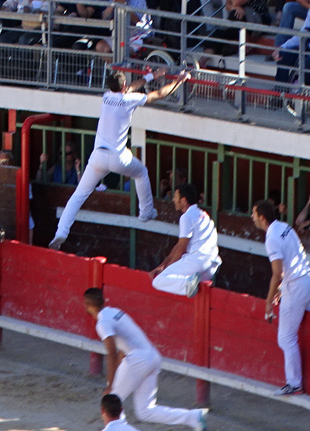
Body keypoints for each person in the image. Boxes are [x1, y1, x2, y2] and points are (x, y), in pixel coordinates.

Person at [50, 68, 190, 250]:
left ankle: (61, 232)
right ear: (123, 85)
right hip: (118, 157)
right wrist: (179, 81)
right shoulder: (129, 99)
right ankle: (146, 212)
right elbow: (159, 94)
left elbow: (130, 87)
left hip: (98, 156)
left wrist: (150, 77)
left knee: (78, 195)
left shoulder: (107, 96)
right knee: (141, 173)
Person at [83, 288, 208, 431]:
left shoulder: (102, 323)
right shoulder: (115, 312)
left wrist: (110, 384)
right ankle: (193, 417)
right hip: (153, 357)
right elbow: (122, 348)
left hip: (138, 359)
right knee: (145, 411)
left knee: (112, 400)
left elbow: (111, 352)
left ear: (87, 305)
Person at [251, 199, 310, 396]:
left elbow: (277, 272)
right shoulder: (284, 226)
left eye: (254, 213)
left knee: (286, 338)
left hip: (295, 286)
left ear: (262, 218)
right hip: (309, 281)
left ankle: (294, 383)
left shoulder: (271, 237)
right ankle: (306, 383)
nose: (252, 217)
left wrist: (269, 301)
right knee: (307, 333)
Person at [149, 184, 222, 297]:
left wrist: (166, 270)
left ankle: (188, 283)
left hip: (197, 261)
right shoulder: (203, 214)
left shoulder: (186, 217)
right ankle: (189, 282)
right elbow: (179, 245)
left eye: (175, 197)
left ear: (183, 201)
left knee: (158, 280)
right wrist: (163, 265)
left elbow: (182, 247)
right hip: (211, 265)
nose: (173, 199)